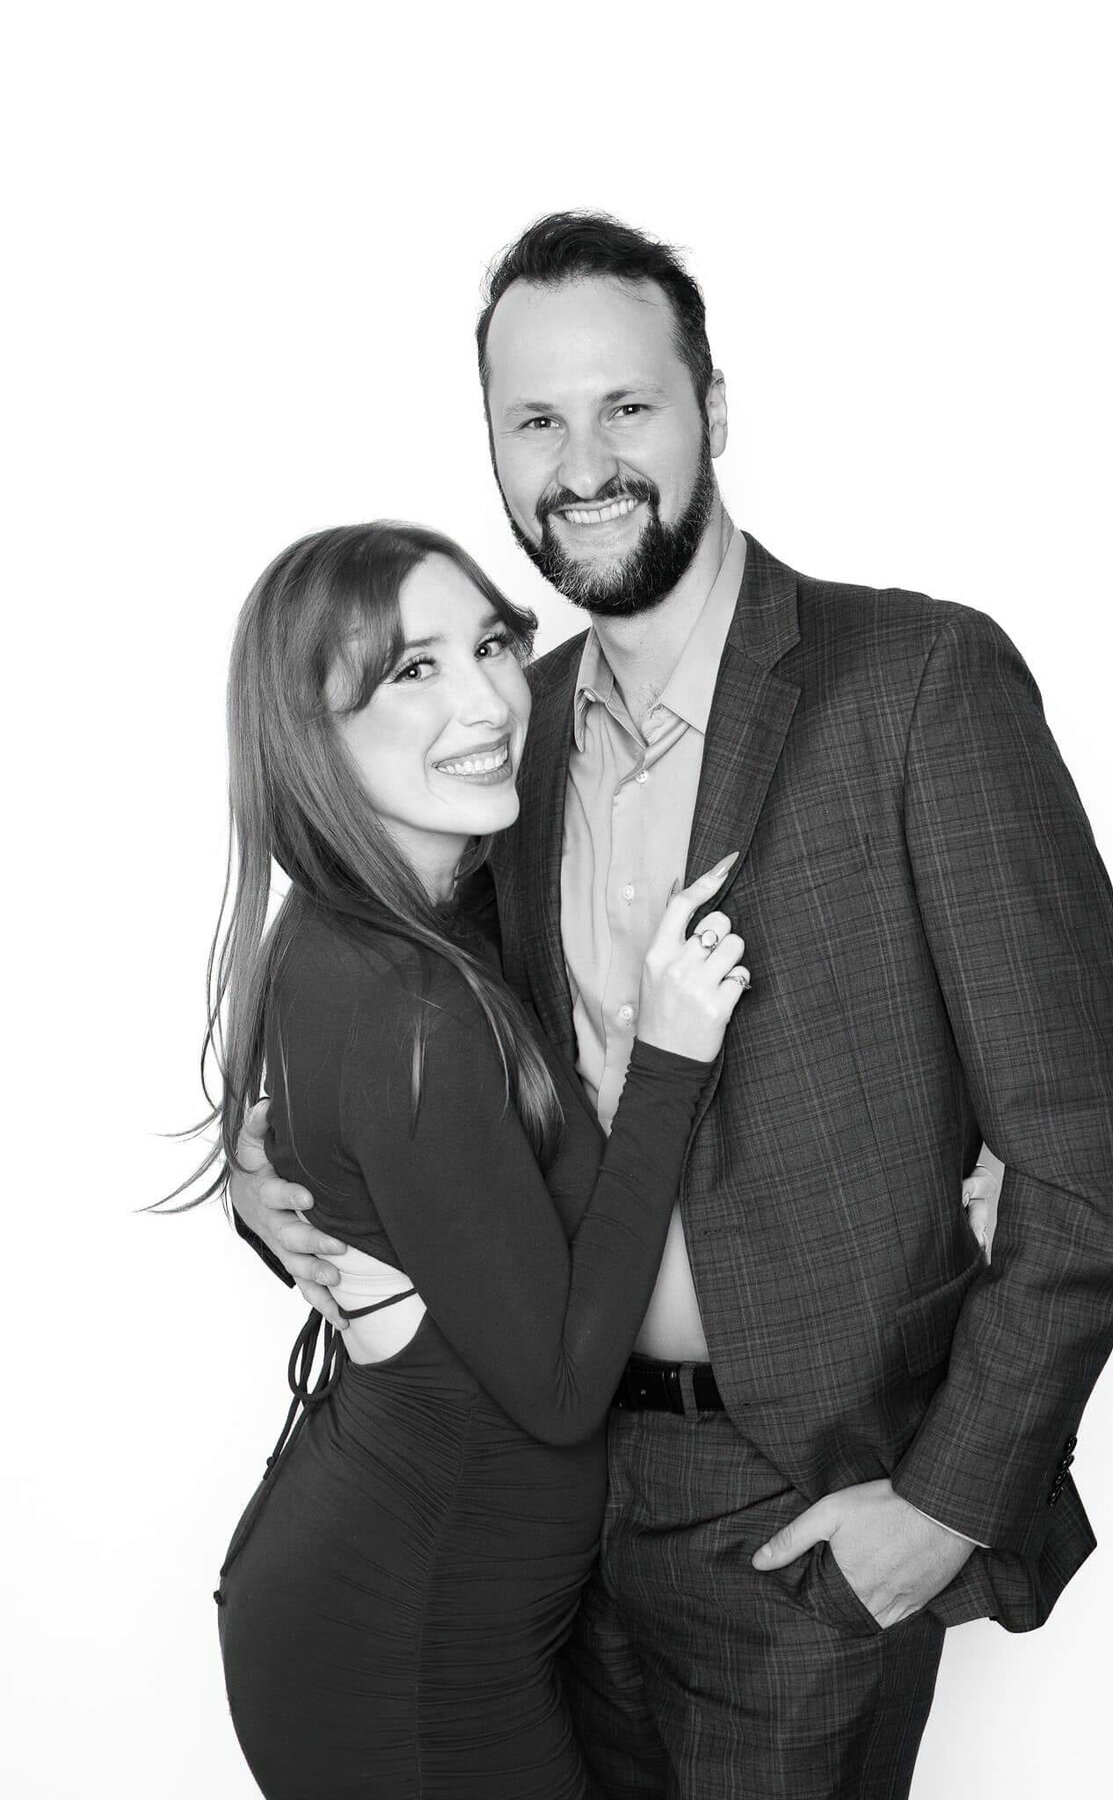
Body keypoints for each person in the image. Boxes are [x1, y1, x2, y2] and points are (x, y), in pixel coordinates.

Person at [233, 215, 1113, 1799]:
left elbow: (1093, 1146)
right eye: (536, 419)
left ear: (713, 412)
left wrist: (943, 1502)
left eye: (628, 407)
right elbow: (415, 1041)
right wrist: (284, 1190)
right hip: (548, 1517)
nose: (583, 461)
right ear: (493, 449)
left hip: (801, 1514)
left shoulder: (918, 683)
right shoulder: (494, 739)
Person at [188, 519, 752, 1799]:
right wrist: (670, 1062)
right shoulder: (410, 1006)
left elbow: (364, 1185)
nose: (491, 696)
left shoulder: (364, 928)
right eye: (411, 671)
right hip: (406, 1647)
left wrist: (258, 1198)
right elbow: (558, 1388)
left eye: (490, 643)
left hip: (410, 1597)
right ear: (308, 734)